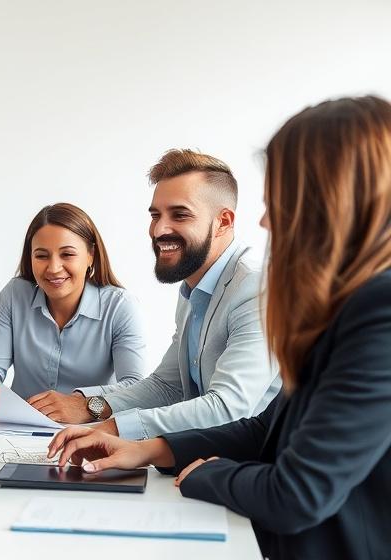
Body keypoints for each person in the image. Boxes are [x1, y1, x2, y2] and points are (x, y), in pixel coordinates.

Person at [49, 95, 391, 560]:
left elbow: (298, 490)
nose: (267, 218)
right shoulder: (348, 303)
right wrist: (149, 449)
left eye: (284, 193)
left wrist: (199, 472)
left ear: (336, 194)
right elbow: (269, 429)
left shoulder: (380, 310)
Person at [33, 150, 280, 436]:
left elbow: (228, 408)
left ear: (223, 221)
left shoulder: (257, 290)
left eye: (180, 215)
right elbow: (167, 387)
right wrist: (89, 406)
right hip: (205, 459)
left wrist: (113, 430)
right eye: (155, 215)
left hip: (256, 466)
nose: (159, 229)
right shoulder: (194, 287)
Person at [0, 202, 146, 418]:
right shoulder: (15, 295)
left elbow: (136, 389)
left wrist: (80, 403)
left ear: (90, 255)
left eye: (67, 254)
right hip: (18, 433)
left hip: (90, 434)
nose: (53, 268)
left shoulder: (120, 307)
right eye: (41, 256)